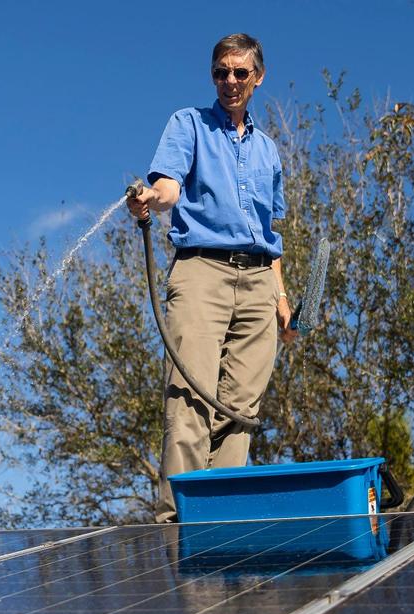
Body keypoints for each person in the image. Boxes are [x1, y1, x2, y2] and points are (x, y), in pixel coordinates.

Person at [128, 32, 295, 523]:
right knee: (189, 401)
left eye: (240, 72)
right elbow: (167, 187)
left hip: (261, 280)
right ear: (213, 75)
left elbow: (272, 230)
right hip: (202, 272)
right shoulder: (189, 124)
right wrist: (149, 199)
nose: (230, 81)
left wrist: (281, 297)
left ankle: (221, 529)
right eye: (221, 71)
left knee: (240, 413)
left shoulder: (268, 151)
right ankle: (176, 529)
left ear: (258, 77)